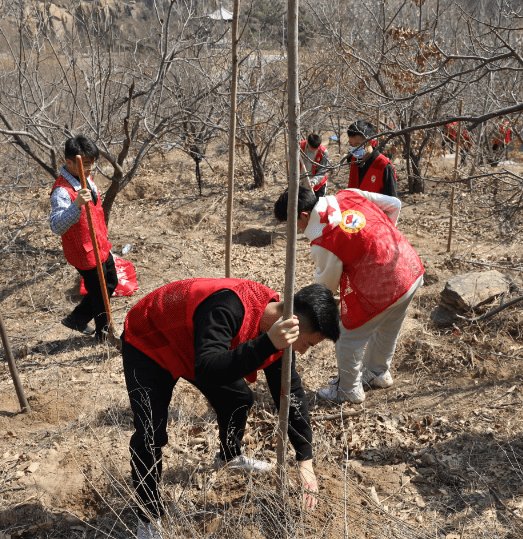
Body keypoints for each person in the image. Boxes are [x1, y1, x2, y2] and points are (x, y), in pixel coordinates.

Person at [122, 279, 340, 539]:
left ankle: (229, 456)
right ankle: (148, 518)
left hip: (195, 346)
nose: (303, 352)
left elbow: (289, 393)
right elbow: (207, 371)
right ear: (293, 322)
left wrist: (305, 458)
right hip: (151, 339)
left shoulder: (277, 333)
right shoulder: (227, 307)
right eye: (309, 344)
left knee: (238, 398)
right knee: (150, 435)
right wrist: (267, 344)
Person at [274, 186, 424, 404]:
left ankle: (348, 390)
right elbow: (394, 205)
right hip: (409, 267)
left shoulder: (325, 239)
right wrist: (382, 242)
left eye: (293, 222)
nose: (294, 228)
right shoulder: (349, 194)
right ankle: (378, 373)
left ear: (304, 215)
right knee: (388, 326)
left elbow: (325, 288)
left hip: (384, 285)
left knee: (346, 336)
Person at [49, 135, 117, 343]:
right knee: (100, 297)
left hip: (100, 246)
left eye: (92, 164)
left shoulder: (86, 178)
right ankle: (104, 337)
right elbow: (56, 225)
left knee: (111, 283)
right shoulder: (62, 191)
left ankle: (77, 318)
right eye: (85, 164)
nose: (90, 169)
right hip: (85, 253)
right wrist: (76, 205)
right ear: (69, 163)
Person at [345, 120, 398, 197]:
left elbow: (392, 201)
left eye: (357, 144)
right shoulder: (353, 159)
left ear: (369, 141)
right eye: (351, 144)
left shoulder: (384, 166)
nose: (354, 149)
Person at [300, 133, 331, 197]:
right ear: (308, 142)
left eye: (316, 148)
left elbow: (322, 171)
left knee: (318, 204)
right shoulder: (300, 146)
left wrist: (313, 181)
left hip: (318, 184)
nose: (313, 150)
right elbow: (290, 157)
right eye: (311, 147)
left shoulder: (324, 152)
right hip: (303, 182)